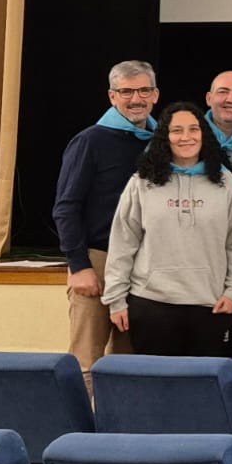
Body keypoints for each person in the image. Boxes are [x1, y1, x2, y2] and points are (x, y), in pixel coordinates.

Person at [102, 103, 232, 358]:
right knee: (156, 389)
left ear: (204, 134)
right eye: (177, 130)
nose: (186, 137)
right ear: (165, 137)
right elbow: (123, 242)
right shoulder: (142, 181)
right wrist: (116, 300)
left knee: (201, 391)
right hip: (151, 303)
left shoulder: (225, 181)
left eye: (194, 129)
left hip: (210, 305)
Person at [53, 60, 159, 391]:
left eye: (143, 90)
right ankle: (81, 440)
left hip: (144, 264)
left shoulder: (163, 142)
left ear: (155, 95)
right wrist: (79, 264)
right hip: (97, 259)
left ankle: (121, 438)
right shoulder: (90, 141)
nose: (135, 98)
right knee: (87, 360)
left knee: (130, 363)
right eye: (126, 91)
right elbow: (66, 207)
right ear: (112, 96)